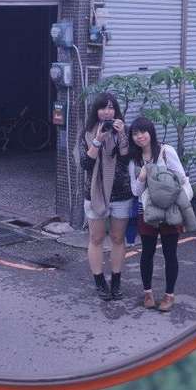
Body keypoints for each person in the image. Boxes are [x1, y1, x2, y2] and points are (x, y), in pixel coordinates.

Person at [128, 117, 190, 312]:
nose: (139, 137)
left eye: (143, 132)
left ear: (151, 132)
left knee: (170, 253)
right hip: (146, 211)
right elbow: (135, 191)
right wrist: (141, 177)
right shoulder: (134, 159)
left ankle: (169, 295)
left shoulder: (166, 151)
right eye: (135, 134)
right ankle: (148, 293)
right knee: (147, 253)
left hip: (169, 210)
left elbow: (182, 179)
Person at [80, 93, 132, 301]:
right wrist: (98, 141)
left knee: (118, 238)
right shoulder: (87, 133)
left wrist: (122, 135)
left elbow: (127, 160)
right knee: (96, 238)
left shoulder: (124, 131)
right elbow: (85, 164)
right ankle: (100, 281)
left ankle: (116, 281)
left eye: (111, 108)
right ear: (97, 111)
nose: (107, 112)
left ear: (116, 111)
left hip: (121, 194)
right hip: (95, 193)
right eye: (103, 108)